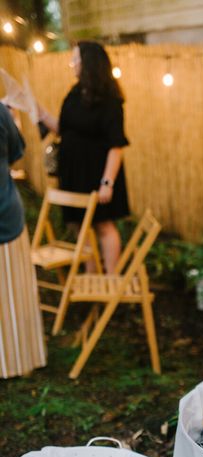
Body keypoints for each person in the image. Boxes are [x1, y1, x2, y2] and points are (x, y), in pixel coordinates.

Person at [38, 41, 130, 273]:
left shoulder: (110, 101)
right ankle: (92, 272)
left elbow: (116, 145)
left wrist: (107, 183)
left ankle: (111, 279)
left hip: (98, 174)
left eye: (75, 59)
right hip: (73, 173)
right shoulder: (74, 93)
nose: (72, 64)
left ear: (88, 63)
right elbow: (64, 128)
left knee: (103, 226)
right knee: (78, 224)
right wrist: (39, 112)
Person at [0, 103, 46, 378]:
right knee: (14, 292)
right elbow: (17, 151)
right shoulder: (1, 112)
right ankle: (18, 358)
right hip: (6, 211)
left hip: (5, 217)